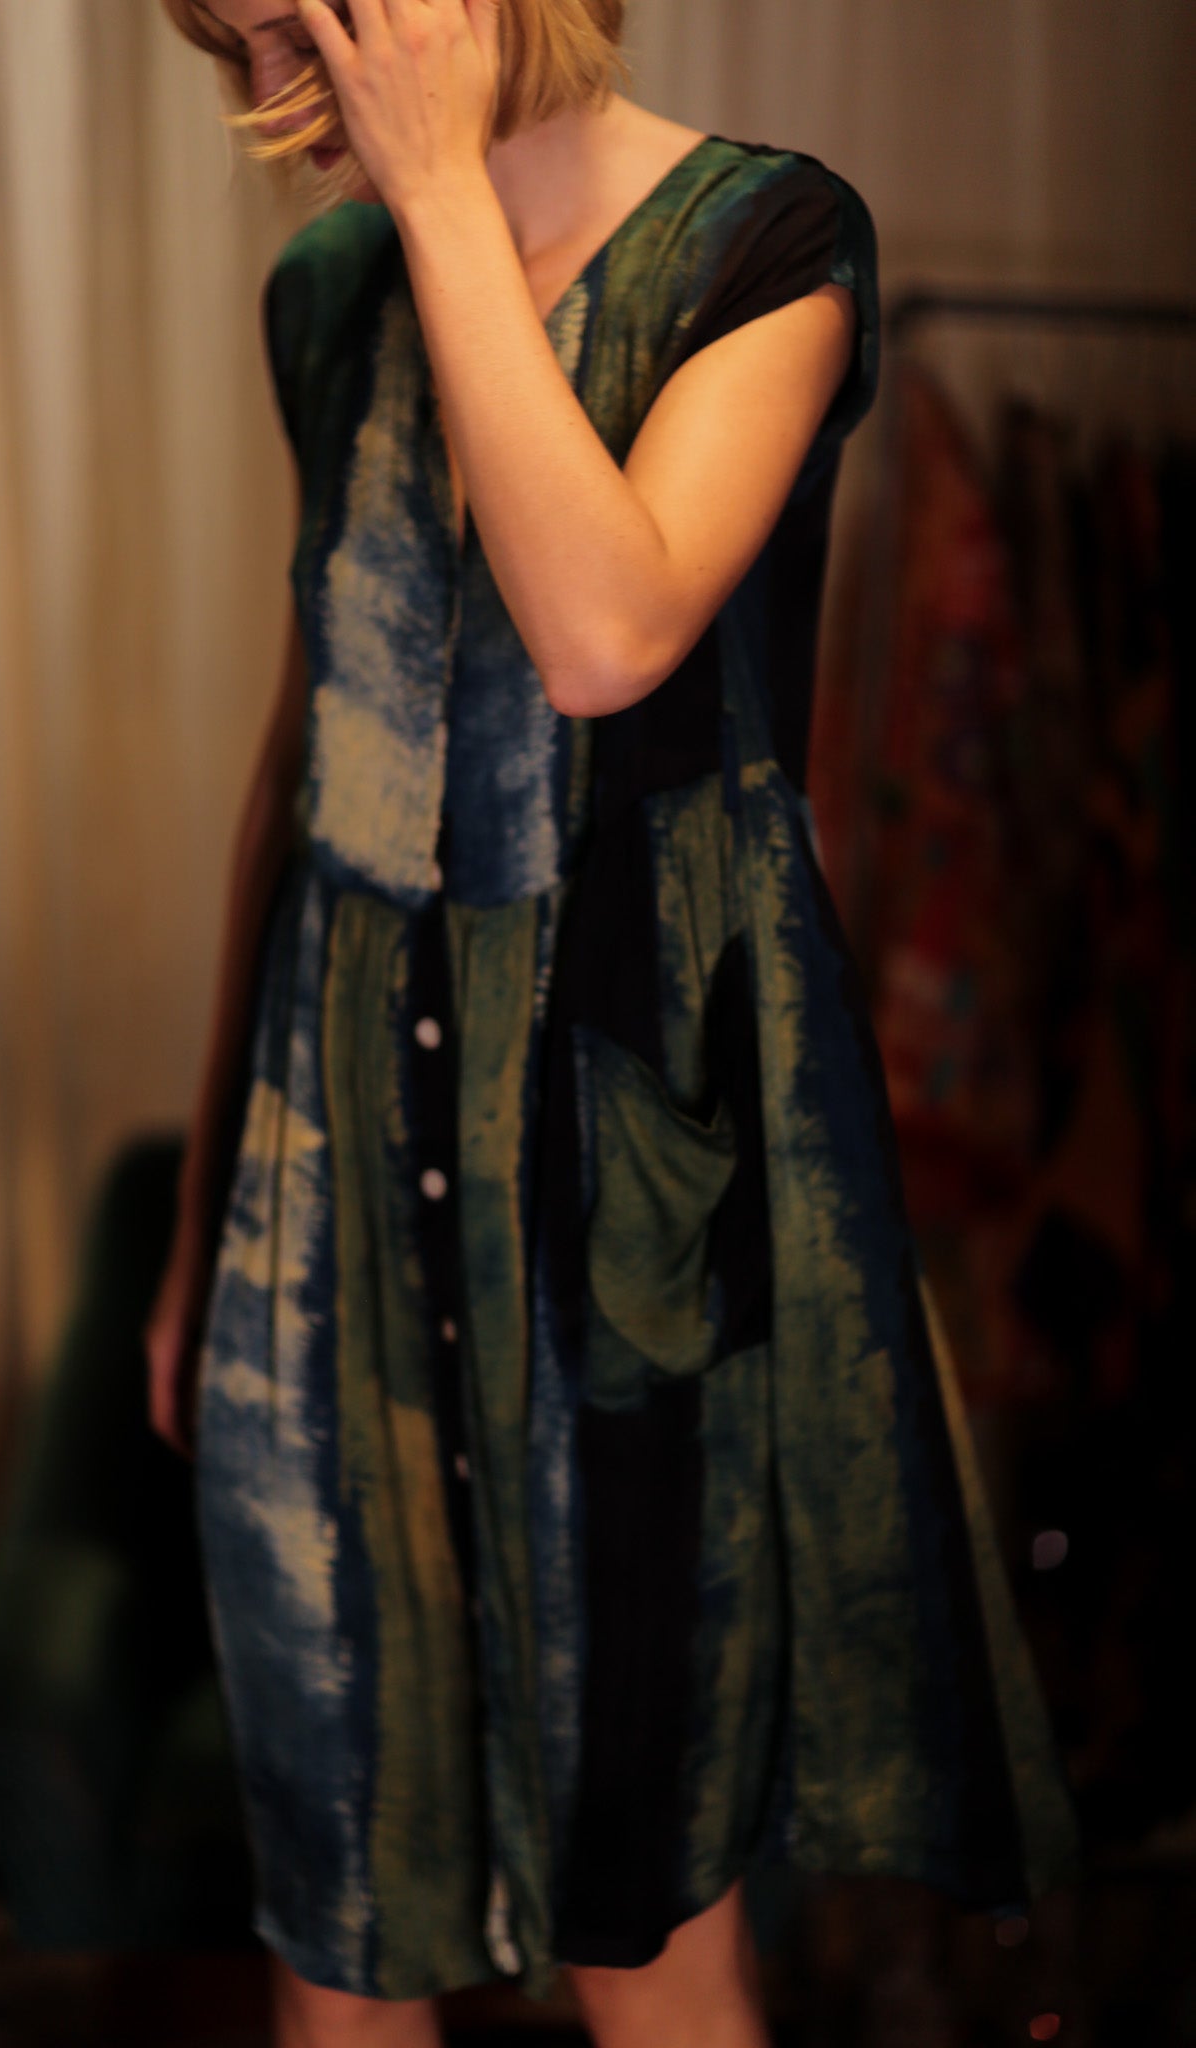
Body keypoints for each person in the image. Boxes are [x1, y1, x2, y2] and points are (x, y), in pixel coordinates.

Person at [145, 3, 1081, 2044]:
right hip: (324, 1203)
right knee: (339, 1907)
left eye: (293, 34)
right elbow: (306, 759)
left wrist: (441, 197)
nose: (271, 108)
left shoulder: (768, 254)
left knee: (642, 1935)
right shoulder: (327, 299)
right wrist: (208, 1221)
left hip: (612, 1196)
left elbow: (602, 629)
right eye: (230, 53)